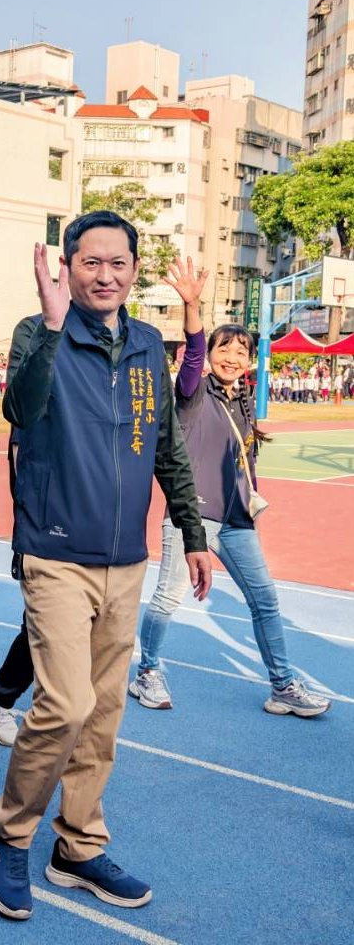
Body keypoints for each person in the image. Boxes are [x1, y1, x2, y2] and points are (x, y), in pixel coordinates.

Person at [0, 212, 212, 922]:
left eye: (117, 263)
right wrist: (51, 330)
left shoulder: (145, 343)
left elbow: (165, 445)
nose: (104, 274)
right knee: (65, 704)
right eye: (90, 263)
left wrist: (192, 530)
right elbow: (18, 407)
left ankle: (77, 844)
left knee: (104, 715)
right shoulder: (36, 331)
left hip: (125, 558)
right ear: (68, 267)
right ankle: (7, 834)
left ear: (133, 269)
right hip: (54, 552)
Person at [131, 259, 330, 717]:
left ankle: (281, 684)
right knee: (168, 596)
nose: (232, 357)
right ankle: (148, 671)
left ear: (251, 361)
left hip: (237, 522)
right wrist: (192, 306)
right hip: (190, 517)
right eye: (225, 348)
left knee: (265, 600)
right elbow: (195, 354)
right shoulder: (192, 391)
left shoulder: (243, 405)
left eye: (242, 351)